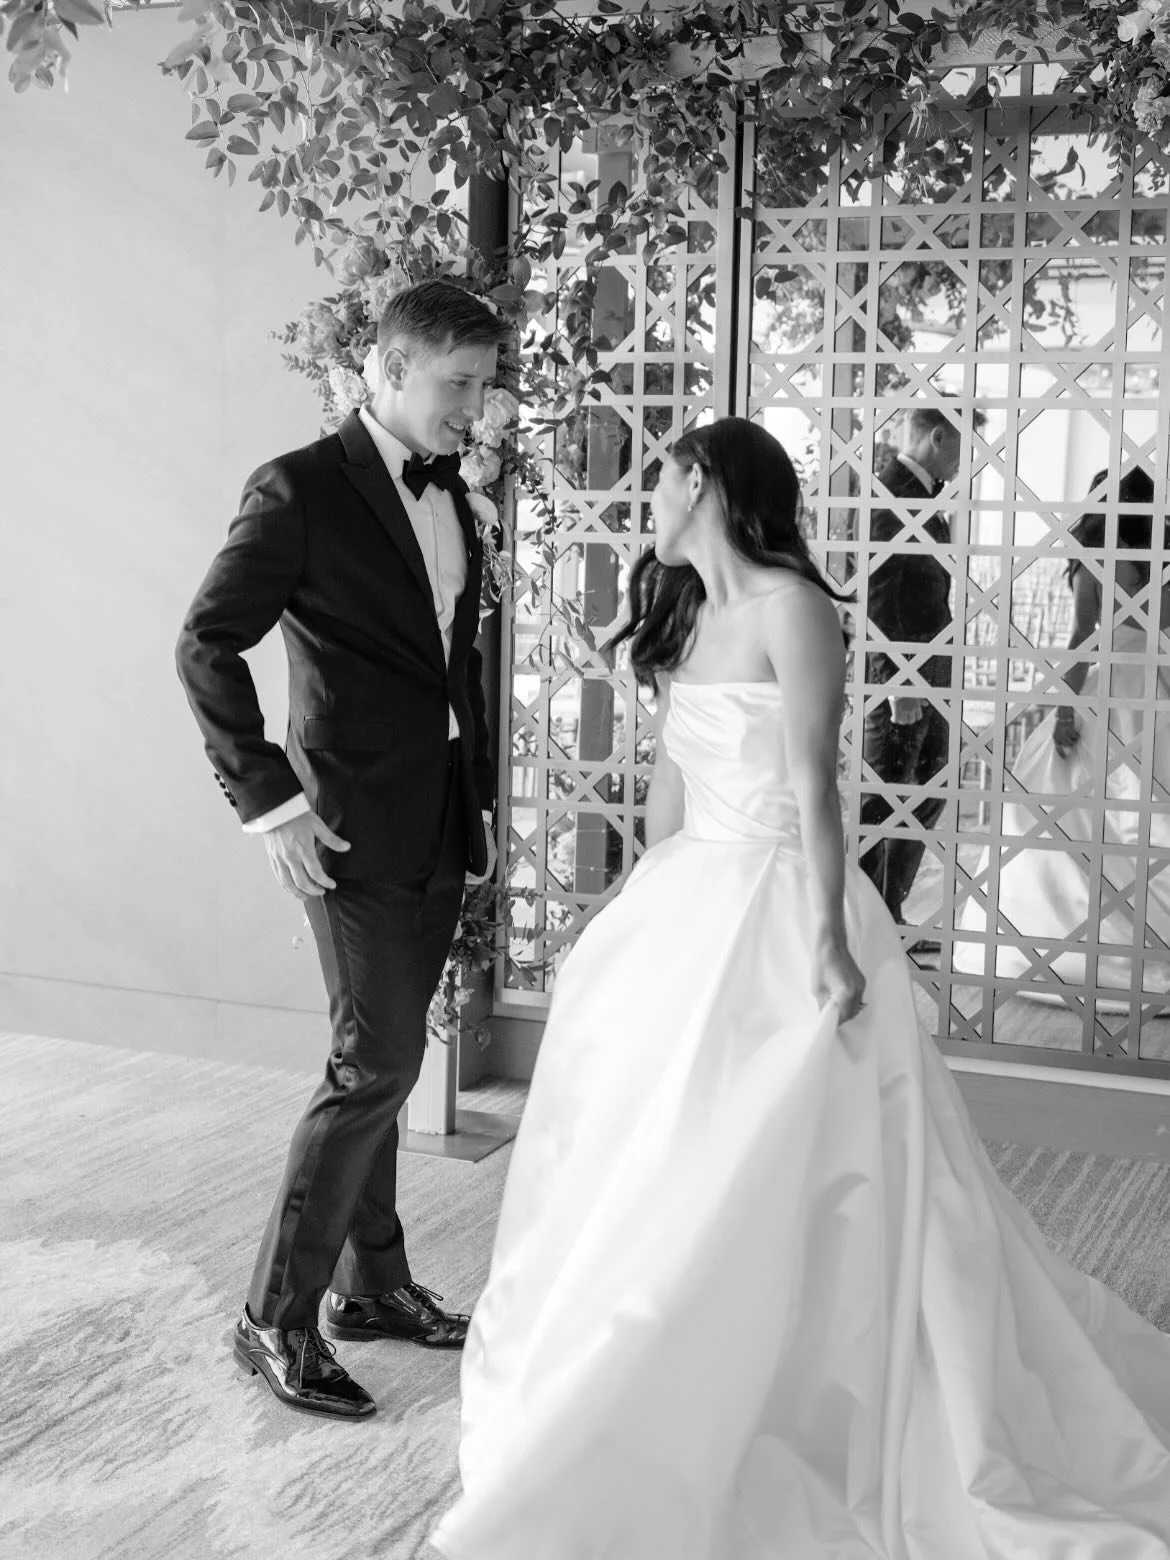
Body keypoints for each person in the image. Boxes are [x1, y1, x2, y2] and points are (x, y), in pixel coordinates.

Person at [429, 418, 1170, 1559]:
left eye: (666, 480)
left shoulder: (793, 608)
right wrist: (632, 907)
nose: (651, 503)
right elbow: (676, 782)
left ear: (709, 484)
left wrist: (827, 939)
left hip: (784, 902)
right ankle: (638, 1349)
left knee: (791, 1152)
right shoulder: (684, 610)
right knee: (655, 1143)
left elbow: (815, 790)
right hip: (691, 902)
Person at [175, 279, 509, 1419]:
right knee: (372, 1068)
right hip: (344, 826)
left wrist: (478, 802)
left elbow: (448, 667)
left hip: (435, 821)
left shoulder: (455, 493)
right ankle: (274, 1317)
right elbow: (206, 644)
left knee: (390, 1059)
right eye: (458, 383)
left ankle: (373, 1287)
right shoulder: (299, 488)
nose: (478, 405)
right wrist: (272, 803)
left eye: (483, 382)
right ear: (388, 368)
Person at [954, 466, 1170, 999]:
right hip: (1158, 692)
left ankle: (1064, 940)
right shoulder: (1162, 562)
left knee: (1063, 808)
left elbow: (1080, 643)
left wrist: (1067, 712)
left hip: (1106, 692)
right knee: (1150, 810)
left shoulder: (1092, 563)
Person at [858, 406, 962, 948]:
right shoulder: (888, 494)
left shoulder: (925, 497)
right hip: (900, 677)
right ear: (937, 436)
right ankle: (867, 921)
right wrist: (898, 681)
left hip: (932, 670)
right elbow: (877, 595)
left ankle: (886, 914)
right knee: (882, 795)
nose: (965, 459)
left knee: (930, 789)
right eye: (960, 445)